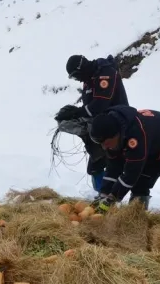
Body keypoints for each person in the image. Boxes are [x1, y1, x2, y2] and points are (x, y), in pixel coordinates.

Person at [88, 106, 160, 212]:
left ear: (116, 135)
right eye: (100, 144)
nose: (104, 147)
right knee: (139, 186)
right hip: (156, 150)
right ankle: (135, 222)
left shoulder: (136, 135)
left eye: (106, 143)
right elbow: (113, 167)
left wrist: (112, 198)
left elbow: (131, 174)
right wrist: (103, 194)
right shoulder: (114, 135)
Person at [54, 54, 129, 191]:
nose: (77, 80)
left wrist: (77, 112)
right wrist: (73, 114)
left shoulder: (105, 73)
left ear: (81, 69)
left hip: (117, 125)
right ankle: (102, 196)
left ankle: (112, 198)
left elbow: (100, 105)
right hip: (100, 125)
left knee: (116, 163)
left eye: (76, 76)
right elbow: (90, 107)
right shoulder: (89, 79)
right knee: (96, 166)